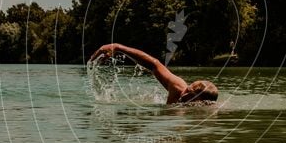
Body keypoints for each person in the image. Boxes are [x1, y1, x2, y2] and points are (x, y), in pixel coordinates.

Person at [89, 43, 219, 104]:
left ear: (202, 102)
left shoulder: (205, 113)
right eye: (188, 88)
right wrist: (118, 48)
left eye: (190, 95)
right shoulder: (178, 87)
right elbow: (154, 64)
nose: (183, 94)